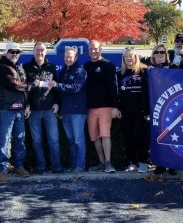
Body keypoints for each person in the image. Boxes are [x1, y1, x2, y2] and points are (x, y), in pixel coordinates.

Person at [0, 42, 32, 183]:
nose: (14, 54)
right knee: (4, 141)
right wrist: (31, 86)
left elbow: (24, 92)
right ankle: (2, 170)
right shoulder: (1, 69)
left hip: (20, 110)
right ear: (5, 53)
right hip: (5, 110)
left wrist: (27, 105)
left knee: (20, 140)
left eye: (17, 52)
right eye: (12, 51)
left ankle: (19, 166)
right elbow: (16, 86)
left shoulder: (20, 68)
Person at [24, 42, 62, 174]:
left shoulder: (51, 67)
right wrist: (27, 105)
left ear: (45, 52)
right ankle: (41, 166)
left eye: (42, 50)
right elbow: (23, 89)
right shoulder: (26, 67)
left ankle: (56, 166)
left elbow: (56, 87)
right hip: (33, 110)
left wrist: (57, 103)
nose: (39, 53)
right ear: (33, 52)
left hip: (49, 110)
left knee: (54, 140)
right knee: (37, 141)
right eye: (37, 50)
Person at [50, 47, 87, 173]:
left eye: (70, 56)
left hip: (78, 112)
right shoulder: (63, 72)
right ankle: (74, 164)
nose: (68, 59)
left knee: (78, 140)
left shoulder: (81, 71)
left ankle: (80, 166)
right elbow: (58, 92)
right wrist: (56, 103)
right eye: (66, 57)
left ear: (76, 58)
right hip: (65, 112)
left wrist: (57, 85)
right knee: (71, 140)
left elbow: (75, 88)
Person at [84, 40, 118, 173]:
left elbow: (113, 87)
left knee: (105, 135)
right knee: (95, 136)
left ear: (100, 49)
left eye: (95, 49)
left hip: (105, 107)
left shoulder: (108, 65)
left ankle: (109, 163)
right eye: (91, 49)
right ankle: (101, 162)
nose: (93, 51)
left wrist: (115, 106)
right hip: (90, 108)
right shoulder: (86, 65)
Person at [116, 48, 150, 173]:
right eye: (126, 57)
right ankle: (132, 162)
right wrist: (117, 108)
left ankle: (143, 162)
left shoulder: (144, 72)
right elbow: (117, 93)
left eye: (131, 56)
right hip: (125, 112)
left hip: (140, 112)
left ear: (136, 57)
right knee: (128, 137)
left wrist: (147, 111)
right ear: (123, 59)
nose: (129, 59)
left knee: (140, 137)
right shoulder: (120, 74)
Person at [149, 44, 178, 175]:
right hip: (155, 107)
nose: (159, 54)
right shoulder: (148, 70)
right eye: (157, 52)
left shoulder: (174, 68)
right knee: (158, 136)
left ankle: (172, 164)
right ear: (153, 55)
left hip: (171, 107)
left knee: (172, 135)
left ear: (166, 55)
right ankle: (160, 164)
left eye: (162, 52)